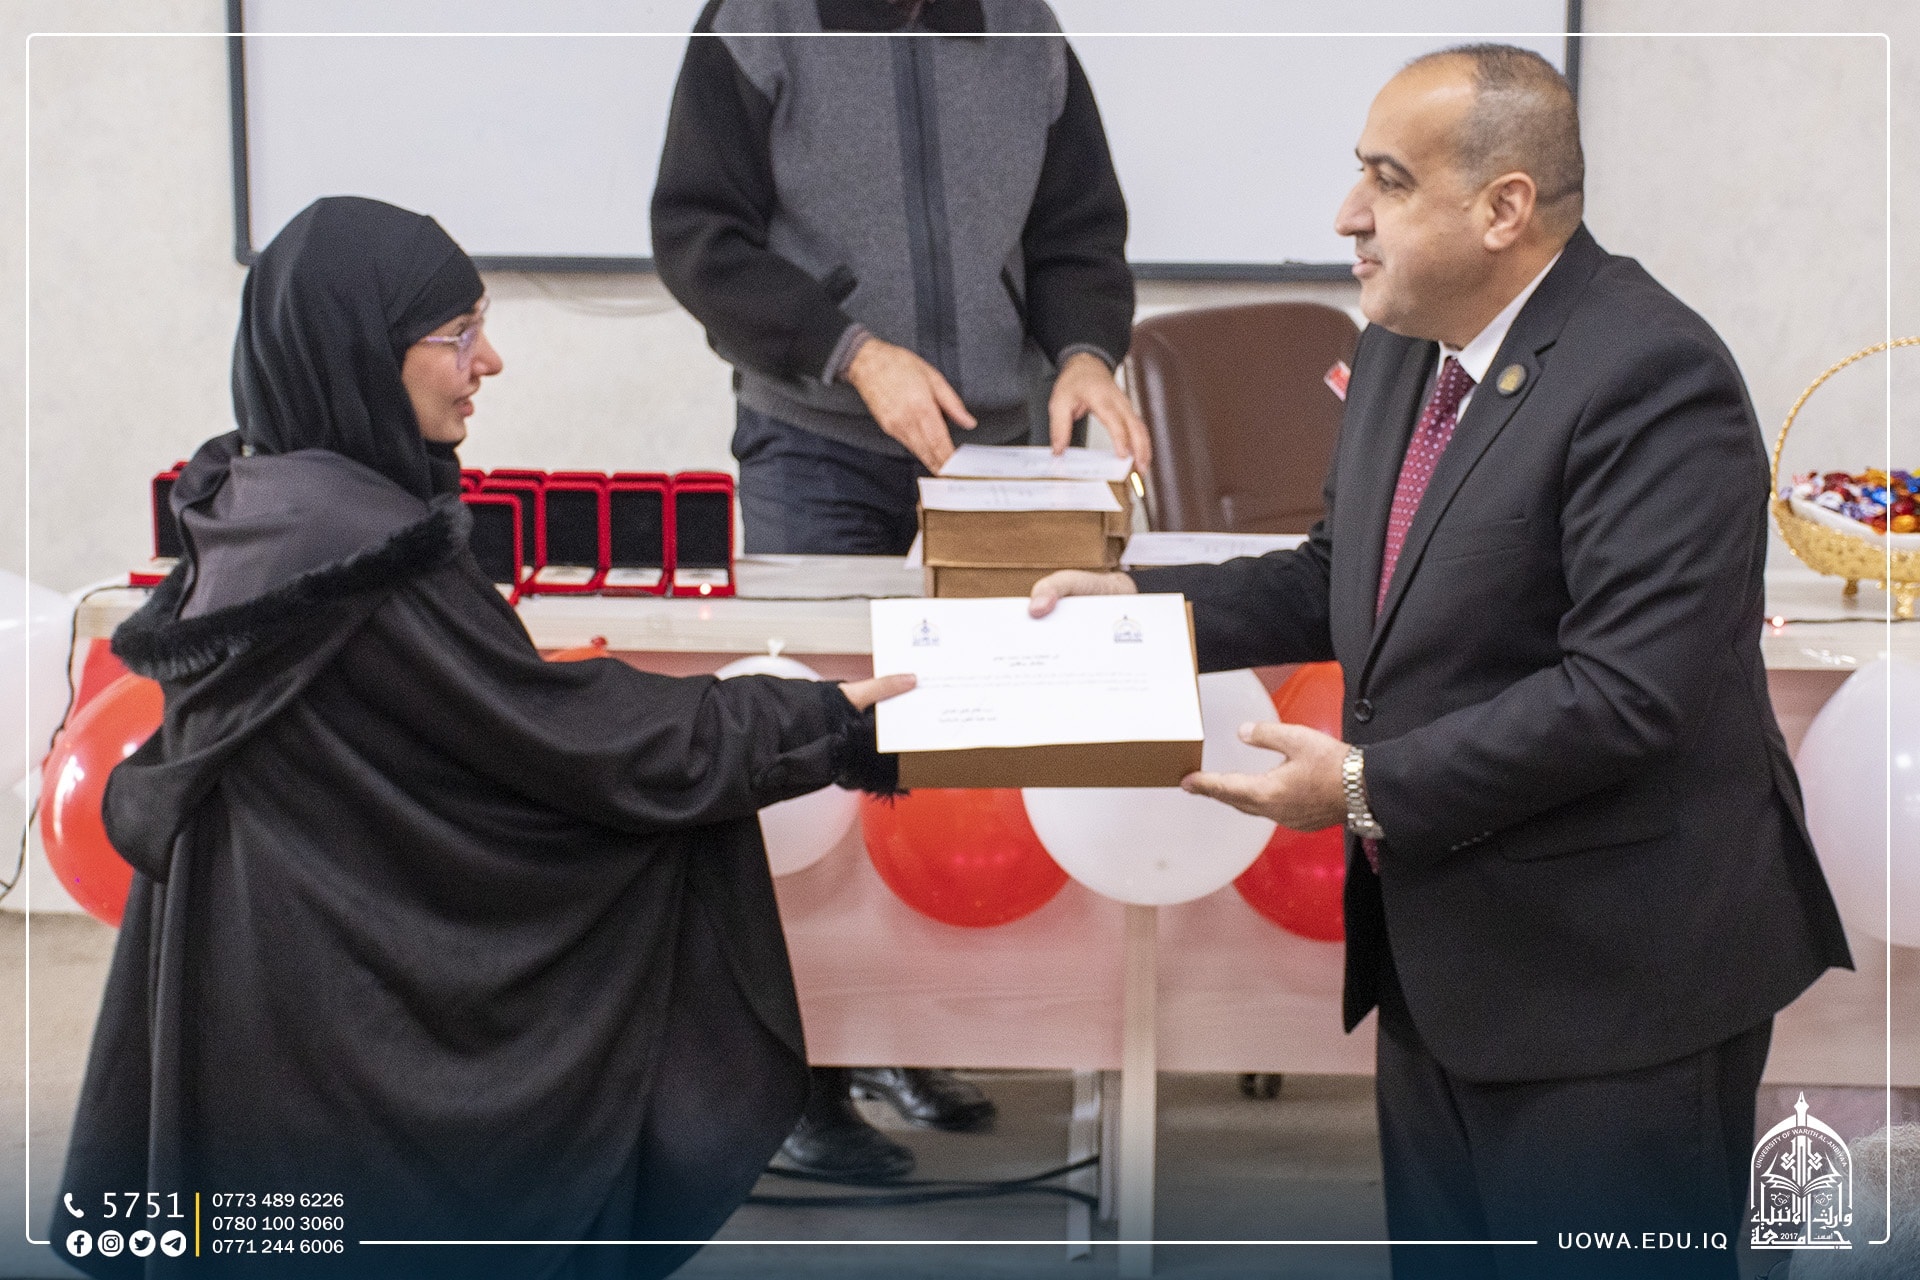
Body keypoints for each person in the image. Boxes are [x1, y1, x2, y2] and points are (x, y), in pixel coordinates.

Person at [1031, 45, 1851, 1280]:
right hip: (1445, 968)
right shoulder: (1406, 343)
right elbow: (1342, 572)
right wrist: (1139, 604)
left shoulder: (1654, 375)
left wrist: (1363, 786)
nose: (1345, 216)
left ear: (1504, 208)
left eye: (1388, 181)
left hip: (1616, 989)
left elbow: (1626, 696)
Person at [53, 196, 909, 1279]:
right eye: (458, 335)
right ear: (363, 353)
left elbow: (476, 732)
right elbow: (558, 738)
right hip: (341, 1004)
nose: (488, 361)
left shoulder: (257, 500)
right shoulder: (358, 547)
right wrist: (815, 719)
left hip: (269, 983)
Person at [650, 0, 1147, 1178]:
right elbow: (699, 236)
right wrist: (851, 350)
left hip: (993, 452)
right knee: (816, 747)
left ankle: (905, 1032)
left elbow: (1078, 228)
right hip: (815, 437)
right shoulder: (760, 21)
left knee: (959, 748)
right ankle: (801, 1079)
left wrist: (1087, 350)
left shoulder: (1022, 28)